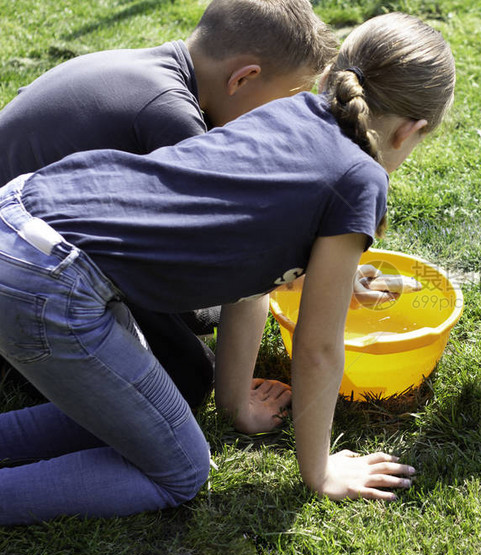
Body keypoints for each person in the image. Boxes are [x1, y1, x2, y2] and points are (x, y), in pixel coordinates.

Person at [0, 12, 456, 525]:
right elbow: (318, 348)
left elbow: (249, 287)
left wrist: (235, 404)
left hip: (21, 214)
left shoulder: (284, 112)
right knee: (181, 472)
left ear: (330, 76)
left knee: (136, 416)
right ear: (412, 132)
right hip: (47, 278)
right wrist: (320, 472)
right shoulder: (361, 178)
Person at [0, 0, 338, 410]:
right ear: (243, 79)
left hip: (37, 241)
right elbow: (240, 248)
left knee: (201, 311)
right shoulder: (171, 117)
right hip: (29, 279)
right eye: (283, 103)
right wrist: (312, 268)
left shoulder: (150, 70)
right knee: (187, 379)